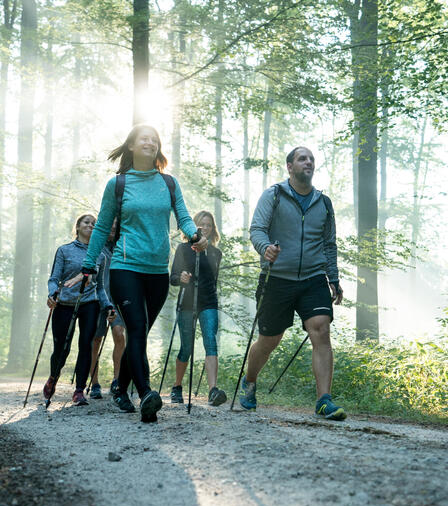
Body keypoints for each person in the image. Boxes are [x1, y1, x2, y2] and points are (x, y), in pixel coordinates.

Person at [67, 124, 207, 423]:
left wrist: (195, 236)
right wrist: (89, 264)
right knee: (137, 329)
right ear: (131, 145)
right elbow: (103, 226)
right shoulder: (117, 184)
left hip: (157, 270)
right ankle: (145, 394)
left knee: (137, 335)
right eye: (144, 138)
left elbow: (183, 215)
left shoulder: (168, 184)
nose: (151, 142)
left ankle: (119, 387)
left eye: (155, 139)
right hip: (124, 267)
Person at [239, 146, 346, 420]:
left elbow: (328, 243)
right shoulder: (274, 195)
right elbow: (257, 229)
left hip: (313, 279)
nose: (308, 162)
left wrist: (332, 278)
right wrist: (265, 248)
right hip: (277, 278)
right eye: (302, 158)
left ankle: (324, 400)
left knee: (321, 330)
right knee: (269, 340)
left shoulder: (323, 202)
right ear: (290, 166)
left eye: (311, 159)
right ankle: (250, 381)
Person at [43, 214, 115, 406]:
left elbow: (100, 287)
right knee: (62, 348)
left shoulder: (100, 255)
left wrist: (108, 305)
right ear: (77, 226)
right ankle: (53, 377)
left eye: (94, 223)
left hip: (89, 304)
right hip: (64, 304)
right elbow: (54, 278)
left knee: (86, 345)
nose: (90, 225)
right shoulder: (64, 250)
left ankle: (79, 390)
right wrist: (53, 294)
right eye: (86, 222)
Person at [169, 210, 226, 406]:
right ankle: (177, 386)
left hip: (208, 301)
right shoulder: (183, 249)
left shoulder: (216, 253)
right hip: (186, 302)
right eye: (201, 225)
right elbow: (173, 277)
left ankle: (213, 390)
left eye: (208, 225)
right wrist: (181, 277)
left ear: (213, 229)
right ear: (194, 227)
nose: (205, 228)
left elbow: (213, 280)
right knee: (187, 347)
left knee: (211, 342)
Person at [88, 222, 127, 399]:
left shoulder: (123, 244)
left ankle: (117, 380)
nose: (112, 228)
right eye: (109, 224)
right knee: (95, 339)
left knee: (119, 335)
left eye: (115, 225)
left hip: (116, 299)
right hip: (96, 298)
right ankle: (94, 382)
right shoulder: (95, 244)